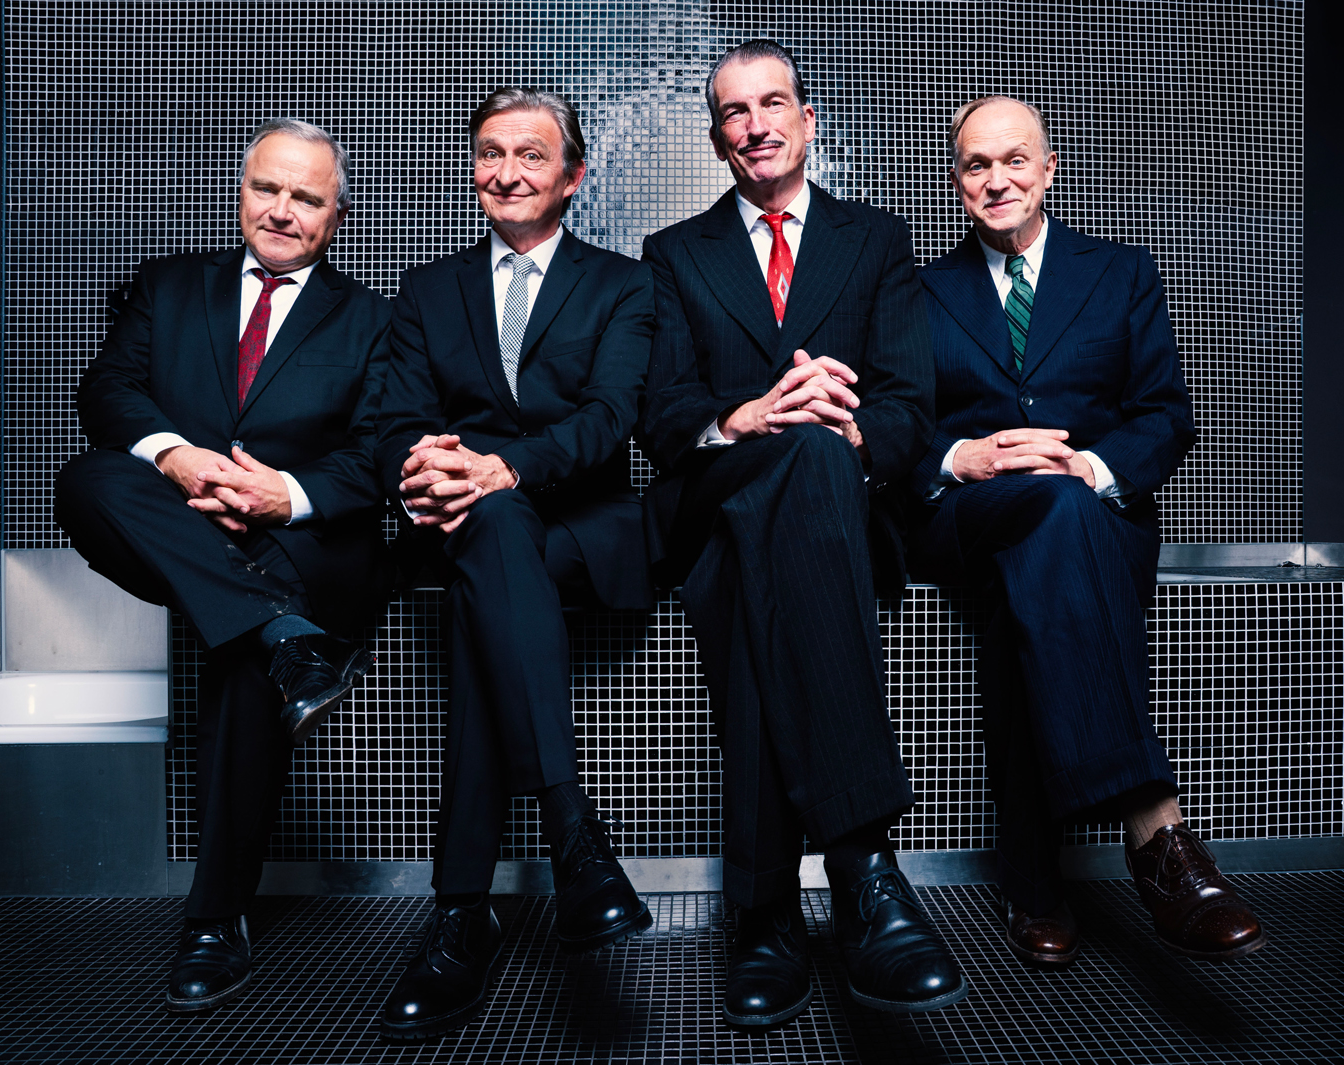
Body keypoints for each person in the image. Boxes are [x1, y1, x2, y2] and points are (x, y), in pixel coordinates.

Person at [640, 41, 965, 1027]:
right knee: (794, 462)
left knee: (808, 483)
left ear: (808, 120)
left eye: (772, 104)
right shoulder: (674, 253)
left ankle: (766, 911)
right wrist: (745, 416)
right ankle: (864, 868)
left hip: (835, 511)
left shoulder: (877, 240)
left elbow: (909, 404)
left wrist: (848, 430)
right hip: (719, 498)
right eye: (734, 113)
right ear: (716, 140)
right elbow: (662, 413)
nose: (756, 126)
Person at [908, 95, 1265, 967]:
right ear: (956, 182)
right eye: (976, 165)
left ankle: (1033, 883)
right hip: (969, 515)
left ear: (1050, 170)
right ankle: (1158, 833)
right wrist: (964, 454)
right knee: (1044, 521)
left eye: (1014, 160)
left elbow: (1164, 415)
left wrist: (1089, 468)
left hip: (1091, 516)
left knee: (1038, 567)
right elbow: (897, 426)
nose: (997, 179)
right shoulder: (919, 291)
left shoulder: (1121, 272)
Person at [54, 118, 393, 1012]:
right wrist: (175, 457)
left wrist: (284, 493)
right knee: (90, 479)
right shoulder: (169, 286)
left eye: (306, 198)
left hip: (300, 543)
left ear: (337, 215)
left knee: (243, 653)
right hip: (183, 527)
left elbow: (377, 455)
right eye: (266, 188)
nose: (281, 210)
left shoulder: (375, 319)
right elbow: (108, 391)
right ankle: (286, 633)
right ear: (242, 191)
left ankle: (214, 918)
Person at [373, 87, 656, 1040]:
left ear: (573, 176)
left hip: (581, 525)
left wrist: (502, 468)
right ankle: (574, 836)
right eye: (491, 153)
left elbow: (610, 417)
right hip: (470, 519)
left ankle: (462, 913)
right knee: (491, 540)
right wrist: (424, 467)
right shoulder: (428, 289)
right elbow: (395, 420)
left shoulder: (623, 285)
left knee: (488, 568)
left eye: (531, 155)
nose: (507, 172)